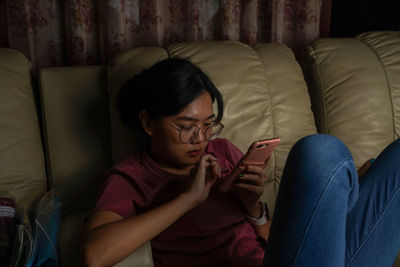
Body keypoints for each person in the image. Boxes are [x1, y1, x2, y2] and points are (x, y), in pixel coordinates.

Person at [80, 58, 400, 267]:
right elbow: (95, 254)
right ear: (148, 124)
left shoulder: (223, 152)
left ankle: (341, 196)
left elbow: (281, 242)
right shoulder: (131, 177)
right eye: (187, 126)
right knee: (320, 152)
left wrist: (253, 209)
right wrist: (189, 199)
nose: (200, 138)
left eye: (208, 124)